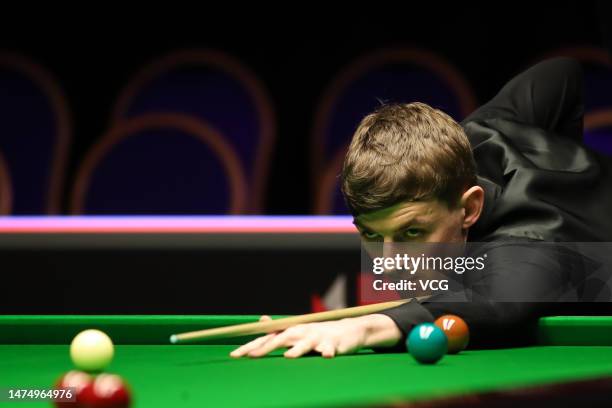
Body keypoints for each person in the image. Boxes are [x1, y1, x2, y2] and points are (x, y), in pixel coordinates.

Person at [231, 58, 612, 359]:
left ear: (469, 208)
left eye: (412, 232)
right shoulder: (474, 137)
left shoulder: (530, 238)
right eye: (371, 234)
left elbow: (498, 305)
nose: (389, 262)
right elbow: (561, 73)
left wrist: (364, 327)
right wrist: (559, 154)